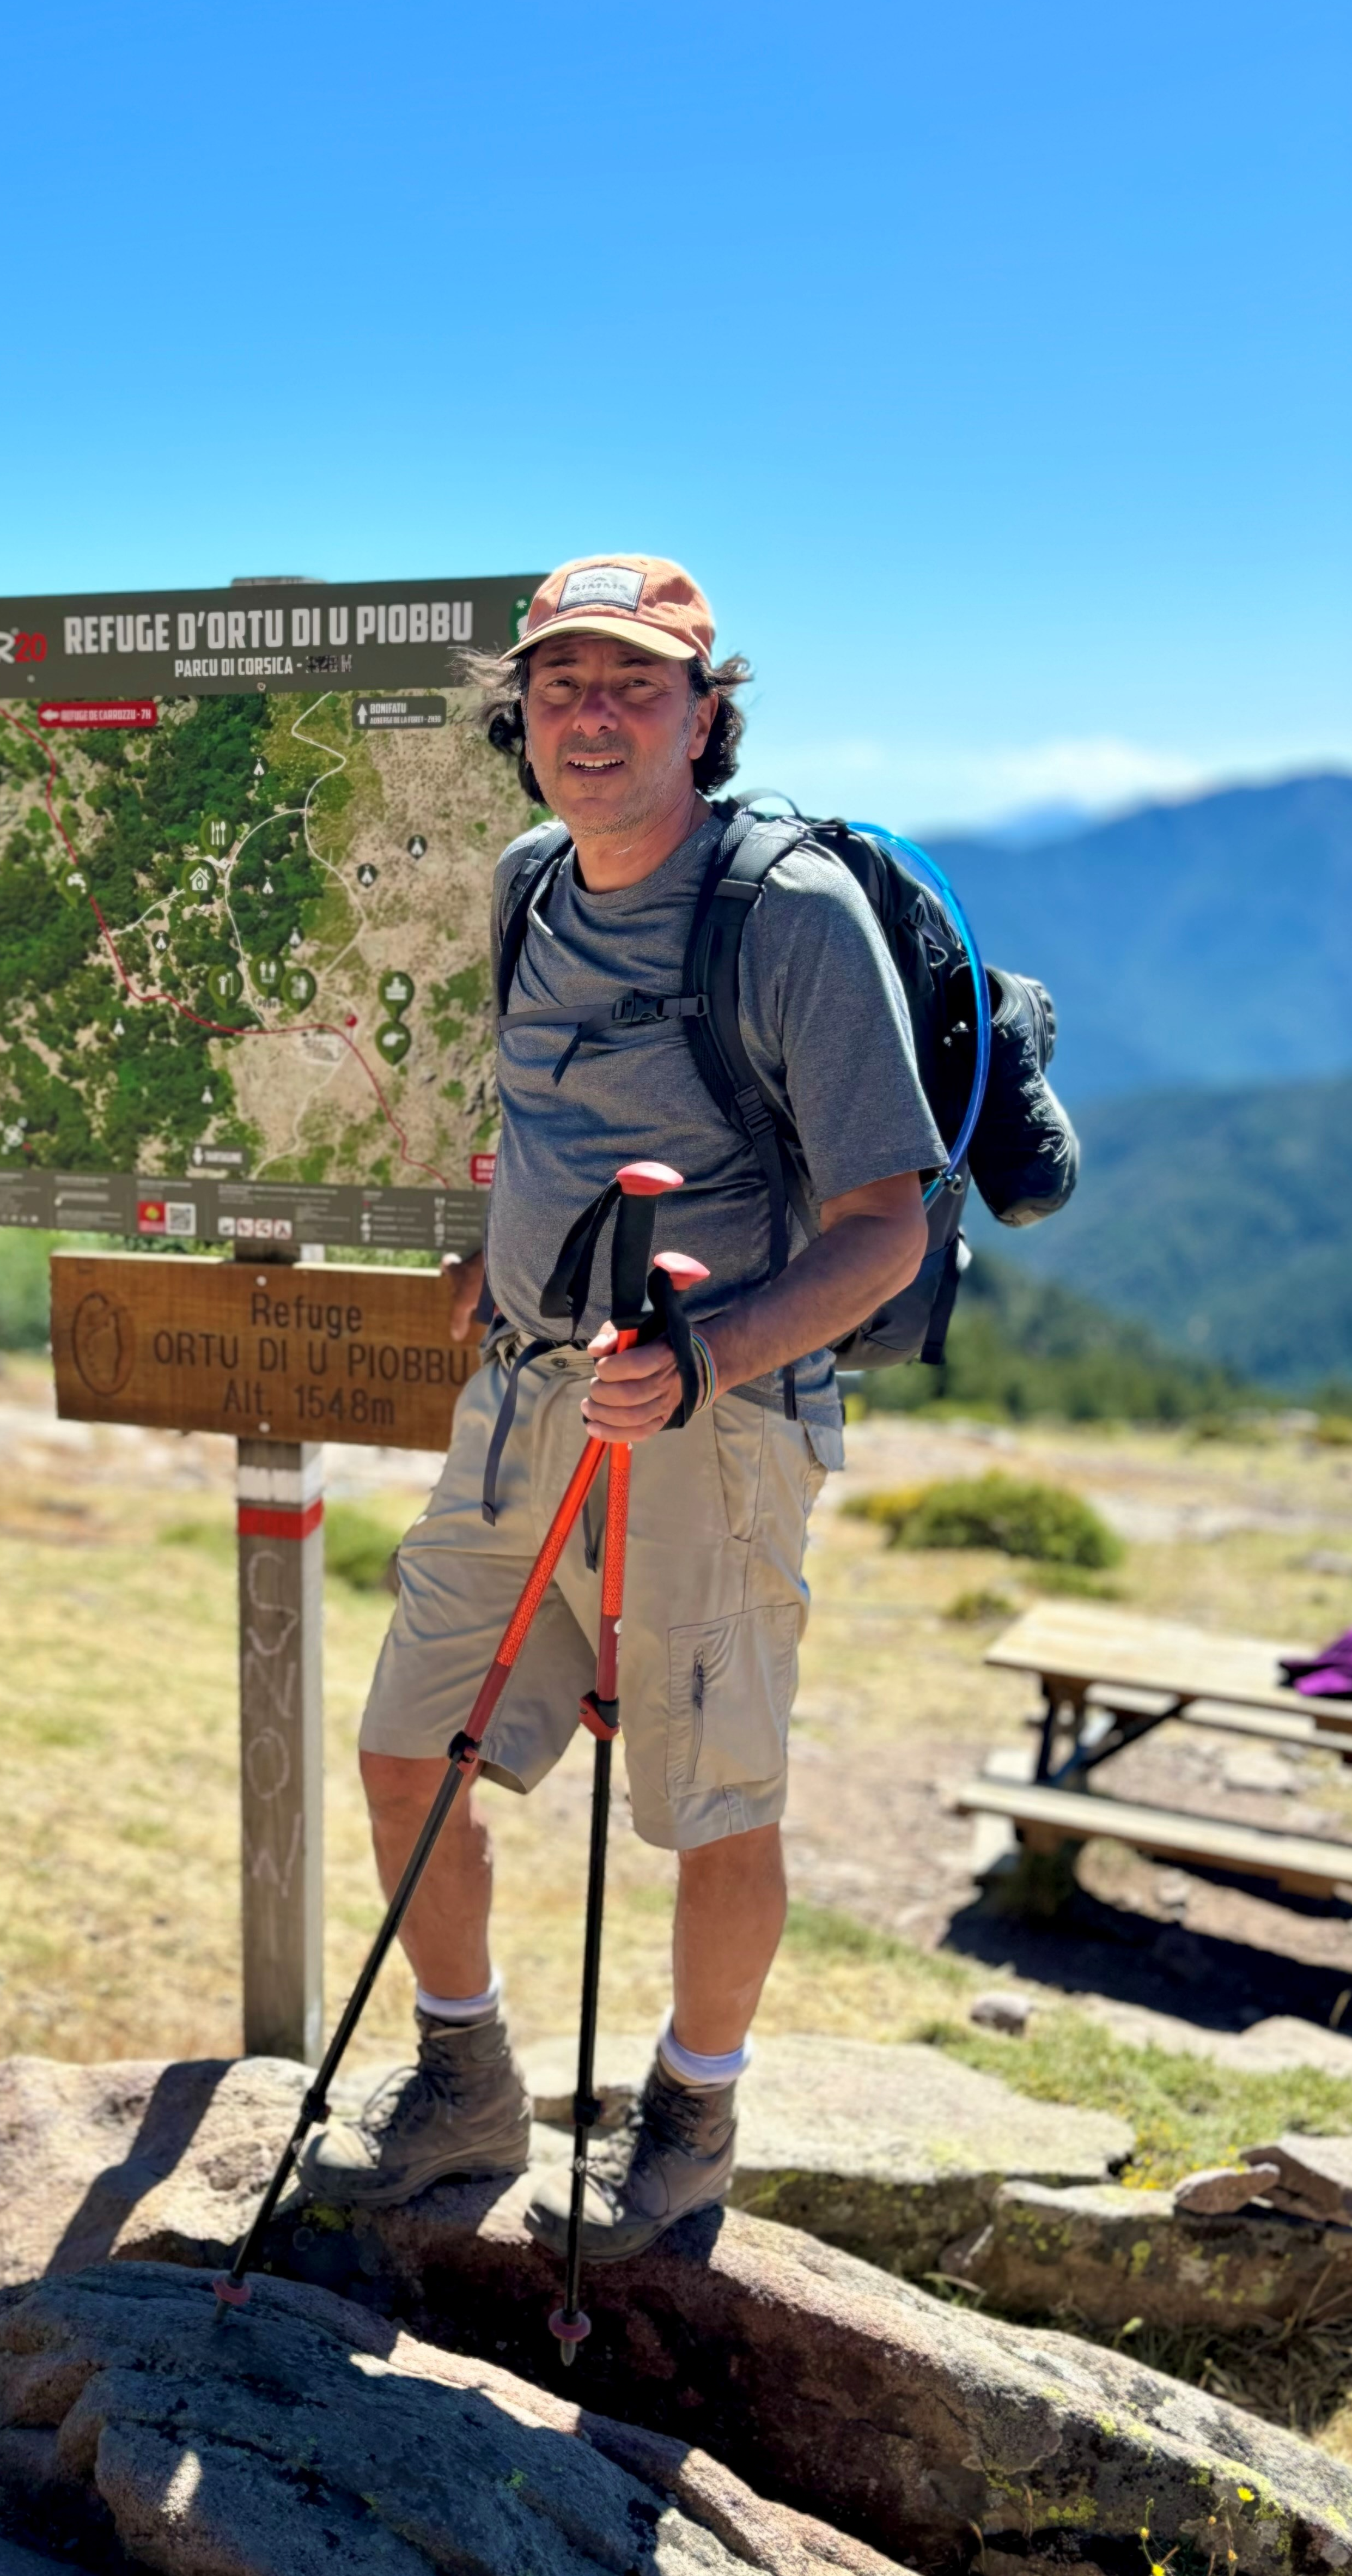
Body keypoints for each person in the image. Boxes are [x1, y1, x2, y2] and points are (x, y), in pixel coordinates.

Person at [296, 553, 941, 2259]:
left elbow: (888, 1229)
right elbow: (546, 1109)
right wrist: (497, 1250)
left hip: (713, 1430)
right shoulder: (526, 883)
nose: (593, 716)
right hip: (522, 1401)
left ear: (703, 715)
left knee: (710, 1799)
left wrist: (708, 1357)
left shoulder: (784, 916)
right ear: (523, 718)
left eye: (634, 685)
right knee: (404, 1753)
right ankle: (465, 2083)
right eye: (563, 685)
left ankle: (691, 2113)